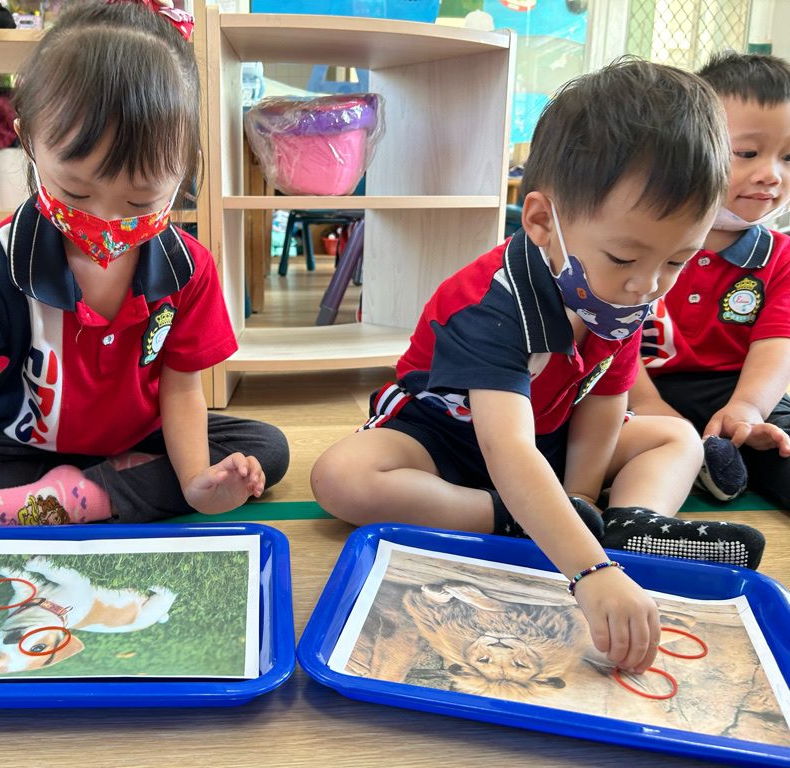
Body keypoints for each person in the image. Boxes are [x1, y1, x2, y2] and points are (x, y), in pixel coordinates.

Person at [311, 59, 767, 676]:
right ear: (542, 221)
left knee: (675, 437)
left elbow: (605, 401)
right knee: (341, 477)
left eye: (676, 261)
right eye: (624, 257)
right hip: (446, 438)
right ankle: (512, 519)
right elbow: (506, 450)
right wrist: (588, 568)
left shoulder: (627, 292)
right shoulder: (492, 301)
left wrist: (579, 499)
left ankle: (630, 523)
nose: (648, 285)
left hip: (549, 434)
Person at [0, 0, 289, 553]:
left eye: (141, 200)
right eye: (75, 191)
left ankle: (66, 502)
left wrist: (198, 479)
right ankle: (107, 494)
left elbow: (182, 388)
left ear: (185, 167)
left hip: (144, 437)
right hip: (24, 445)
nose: (106, 219)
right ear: (28, 141)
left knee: (264, 449)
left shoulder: (186, 267)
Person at [633, 51, 790, 509]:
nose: (771, 174)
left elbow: (777, 345)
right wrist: (649, 407)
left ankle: (718, 460)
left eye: (789, 157)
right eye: (747, 153)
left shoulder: (780, 257)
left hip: (735, 390)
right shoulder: (641, 238)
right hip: (636, 385)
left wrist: (748, 409)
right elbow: (609, 335)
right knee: (582, 434)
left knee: (780, 441)